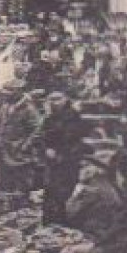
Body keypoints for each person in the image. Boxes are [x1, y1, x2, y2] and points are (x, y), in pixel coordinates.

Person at [38, 91, 89, 227]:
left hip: (68, 160)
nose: (55, 103)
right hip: (53, 161)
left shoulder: (73, 117)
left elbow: (74, 138)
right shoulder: (50, 118)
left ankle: (65, 222)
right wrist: (47, 149)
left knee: (66, 191)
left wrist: (61, 154)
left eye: (58, 99)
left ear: (65, 99)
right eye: (52, 100)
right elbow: (43, 135)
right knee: (50, 190)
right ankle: (51, 222)